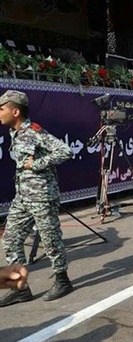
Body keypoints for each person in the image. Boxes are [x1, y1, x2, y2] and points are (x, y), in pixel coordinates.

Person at [0, 90, 73, 307]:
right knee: (10, 239)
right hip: (23, 197)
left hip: (42, 196)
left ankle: (62, 280)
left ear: (15, 111)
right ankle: (18, 289)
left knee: (50, 240)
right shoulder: (15, 133)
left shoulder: (34, 131)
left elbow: (65, 151)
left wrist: (37, 164)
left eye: (1, 109)